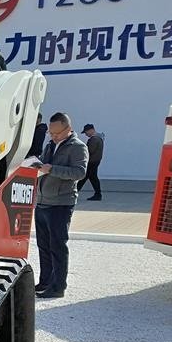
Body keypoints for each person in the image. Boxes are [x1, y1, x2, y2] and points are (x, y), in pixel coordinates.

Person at [33, 112, 88, 300]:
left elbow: (80, 172)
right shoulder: (50, 145)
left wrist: (52, 169)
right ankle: (45, 281)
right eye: (51, 133)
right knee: (43, 245)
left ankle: (58, 287)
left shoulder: (78, 147)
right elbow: (44, 164)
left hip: (61, 203)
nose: (53, 136)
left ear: (68, 129)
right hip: (42, 200)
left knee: (57, 245)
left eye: (57, 133)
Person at [77, 123, 104, 201]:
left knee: (86, 178)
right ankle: (97, 194)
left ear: (91, 130)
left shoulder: (94, 139)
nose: (85, 134)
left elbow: (89, 151)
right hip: (95, 161)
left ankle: (74, 193)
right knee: (90, 177)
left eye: (86, 132)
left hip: (91, 162)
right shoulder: (99, 138)